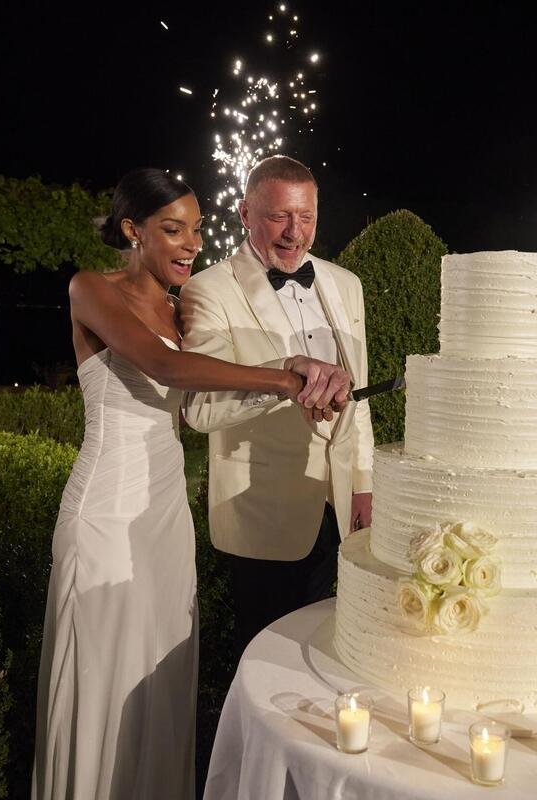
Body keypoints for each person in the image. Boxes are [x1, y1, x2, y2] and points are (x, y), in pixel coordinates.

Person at [31, 168, 350, 800]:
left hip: (166, 509)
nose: (192, 244)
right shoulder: (91, 288)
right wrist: (287, 376)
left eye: (198, 230)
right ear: (133, 230)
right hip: (107, 509)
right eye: (174, 230)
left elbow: (201, 402)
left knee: (162, 667)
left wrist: (294, 384)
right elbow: (166, 366)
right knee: (105, 663)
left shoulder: (183, 310)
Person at [179, 155, 374, 659]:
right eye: (278, 216)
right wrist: (284, 382)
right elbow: (200, 408)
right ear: (245, 213)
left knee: (337, 649)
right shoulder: (207, 290)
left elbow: (359, 398)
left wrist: (364, 484)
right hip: (262, 510)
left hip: (339, 505)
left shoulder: (346, 284)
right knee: (267, 658)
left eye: (306, 216)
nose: (294, 232)